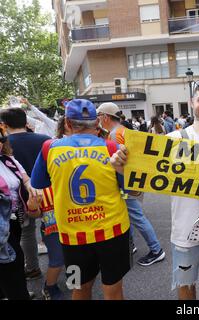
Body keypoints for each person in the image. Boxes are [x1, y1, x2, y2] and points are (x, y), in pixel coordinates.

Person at [111, 80, 199, 300]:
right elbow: (144, 181)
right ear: (192, 102)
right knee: (185, 281)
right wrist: (123, 169)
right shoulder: (172, 140)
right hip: (185, 227)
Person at [31, 99, 131, 300]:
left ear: (67, 123)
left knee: (79, 287)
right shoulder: (112, 148)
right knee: (113, 289)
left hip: (72, 236)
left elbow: (39, 183)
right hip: (112, 231)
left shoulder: (49, 148)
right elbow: (127, 187)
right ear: (97, 123)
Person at [96, 102, 165, 266]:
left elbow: (122, 163)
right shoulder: (123, 131)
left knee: (136, 216)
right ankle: (131, 245)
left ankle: (156, 250)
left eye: (98, 116)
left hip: (126, 182)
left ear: (105, 117)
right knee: (129, 215)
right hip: (132, 181)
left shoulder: (114, 135)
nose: (97, 119)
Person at [0, 107, 51, 281]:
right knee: (52, 228)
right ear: (26, 121)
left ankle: (33, 268)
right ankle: (58, 263)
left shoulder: (5, 145)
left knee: (27, 233)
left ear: (5, 125)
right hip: (49, 194)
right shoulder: (46, 140)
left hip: (22, 199)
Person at [0, 127, 34, 300]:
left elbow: (25, 178)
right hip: (1, 224)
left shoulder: (8, 160)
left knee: (11, 262)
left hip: (14, 219)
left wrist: (32, 190)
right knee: (13, 262)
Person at [27, 187, 65, 300]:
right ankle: (49, 287)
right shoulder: (38, 183)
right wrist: (33, 208)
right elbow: (36, 215)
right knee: (57, 260)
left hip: (74, 224)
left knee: (75, 256)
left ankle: (75, 281)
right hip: (52, 228)